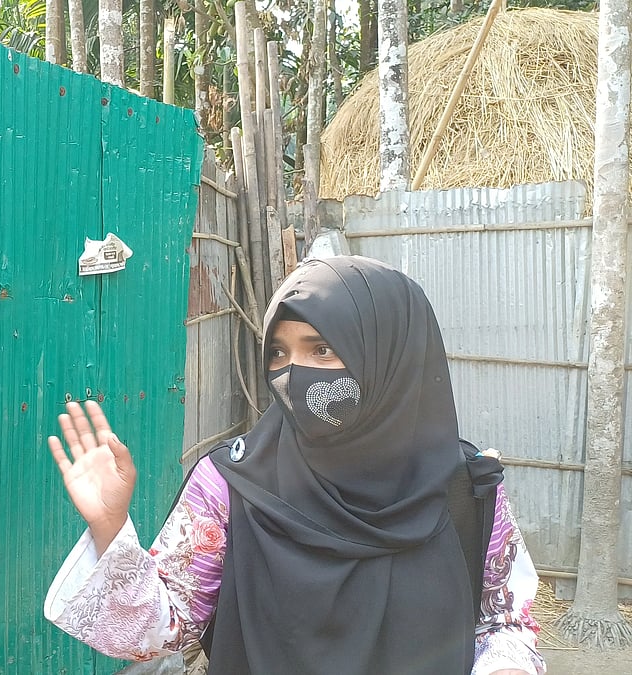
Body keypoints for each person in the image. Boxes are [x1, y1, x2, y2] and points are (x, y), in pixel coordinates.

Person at [43, 256, 544, 674]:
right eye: (279, 352)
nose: (293, 374)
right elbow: (167, 629)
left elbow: (505, 624)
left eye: (323, 349)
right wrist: (110, 528)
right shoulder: (231, 483)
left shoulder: (464, 486)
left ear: (393, 357)